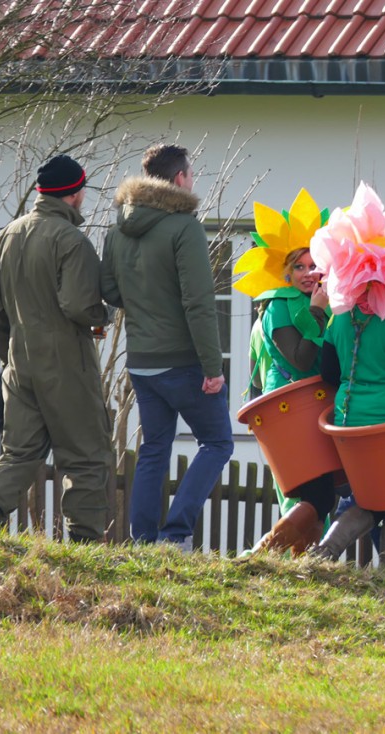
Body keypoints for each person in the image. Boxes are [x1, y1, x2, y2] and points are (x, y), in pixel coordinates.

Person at [0, 154, 113, 542]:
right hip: (67, 363)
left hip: (20, 364)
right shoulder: (72, 241)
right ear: (76, 193)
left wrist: (9, 353)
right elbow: (80, 306)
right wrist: (106, 313)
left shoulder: (7, 236)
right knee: (85, 455)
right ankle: (85, 545)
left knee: (19, 451)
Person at [100, 144, 233, 549]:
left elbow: (109, 290)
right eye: (191, 174)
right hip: (183, 361)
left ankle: (142, 540)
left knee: (154, 447)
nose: (193, 181)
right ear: (179, 178)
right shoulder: (184, 227)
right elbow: (198, 303)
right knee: (218, 442)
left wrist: (146, 302)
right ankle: (175, 534)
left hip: (141, 361)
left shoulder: (116, 228)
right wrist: (213, 367)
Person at [311, 298, 385, 566]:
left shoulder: (338, 317)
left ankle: (326, 550)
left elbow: (329, 372)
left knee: (366, 494)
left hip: (350, 421)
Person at [245, 247, 336, 554]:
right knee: (312, 493)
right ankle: (264, 553)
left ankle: (298, 561)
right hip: (287, 409)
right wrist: (317, 312)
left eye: (315, 265)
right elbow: (300, 359)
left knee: (323, 494)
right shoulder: (278, 306)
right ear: (286, 273)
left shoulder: (331, 303)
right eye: (300, 267)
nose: (309, 273)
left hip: (315, 407)